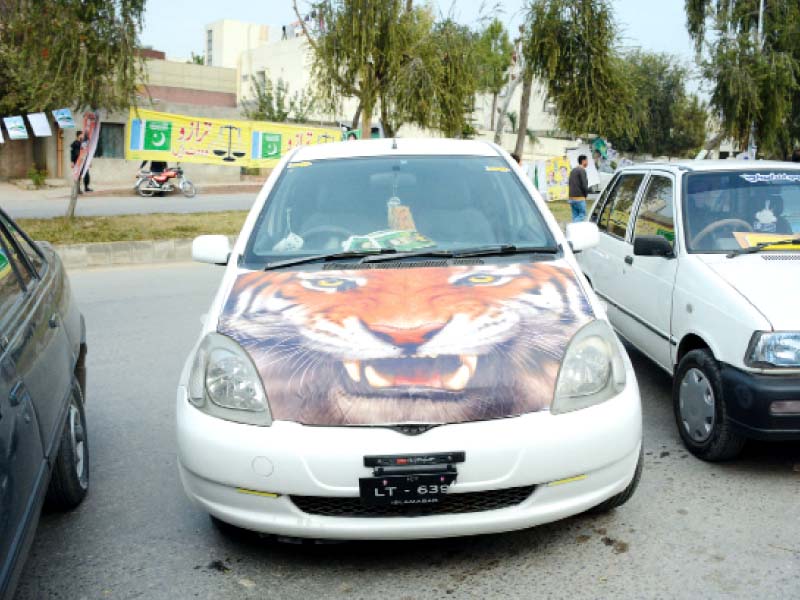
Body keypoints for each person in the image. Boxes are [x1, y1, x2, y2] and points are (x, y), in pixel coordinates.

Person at [567, 154, 590, 222]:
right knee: (582, 215)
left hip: (571, 197)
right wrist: (586, 195)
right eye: (587, 160)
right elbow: (584, 185)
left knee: (575, 216)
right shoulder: (582, 170)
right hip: (579, 197)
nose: (587, 162)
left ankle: (574, 230)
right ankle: (572, 226)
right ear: (583, 161)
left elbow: (570, 183)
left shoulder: (573, 170)